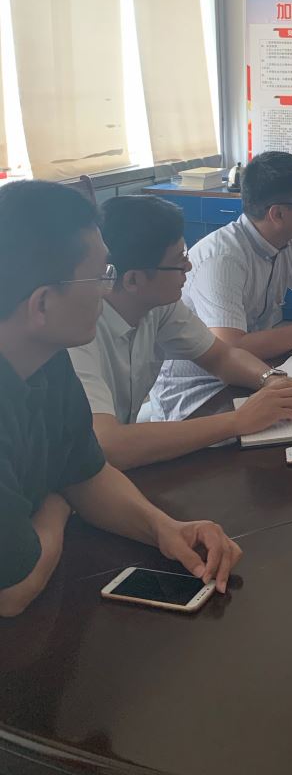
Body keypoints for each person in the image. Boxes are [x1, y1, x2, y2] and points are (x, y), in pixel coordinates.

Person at [0, 181, 241, 618]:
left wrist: (165, 528)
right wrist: (58, 499)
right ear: (42, 304)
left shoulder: (48, 360)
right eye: (100, 277)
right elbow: (13, 591)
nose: (107, 290)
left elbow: (87, 473)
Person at [69, 196, 292, 471]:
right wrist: (238, 420)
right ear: (133, 280)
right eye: (179, 262)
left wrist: (272, 381)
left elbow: (221, 356)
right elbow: (108, 446)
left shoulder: (158, 305)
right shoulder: (77, 333)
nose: (188, 267)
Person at [150, 151, 292, 421]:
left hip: (256, 375)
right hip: (199, 396)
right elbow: (233, 347)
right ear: (277, 213)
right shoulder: (223, 259)